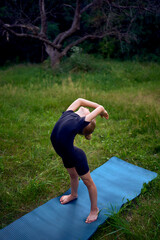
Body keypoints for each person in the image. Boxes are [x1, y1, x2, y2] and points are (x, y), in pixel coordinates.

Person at [50, 98, 109, 223]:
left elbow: (99, 108)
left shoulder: (78, 122)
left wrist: (102, 111)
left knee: (88, 183)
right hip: (66, 153)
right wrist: (99, 108)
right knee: (73, 175)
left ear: (86, 119)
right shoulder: (69, 114)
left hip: (76, 157)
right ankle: (74, 195)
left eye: (89, 113)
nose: (87, 109)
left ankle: (94, 210)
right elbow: (80, 100)